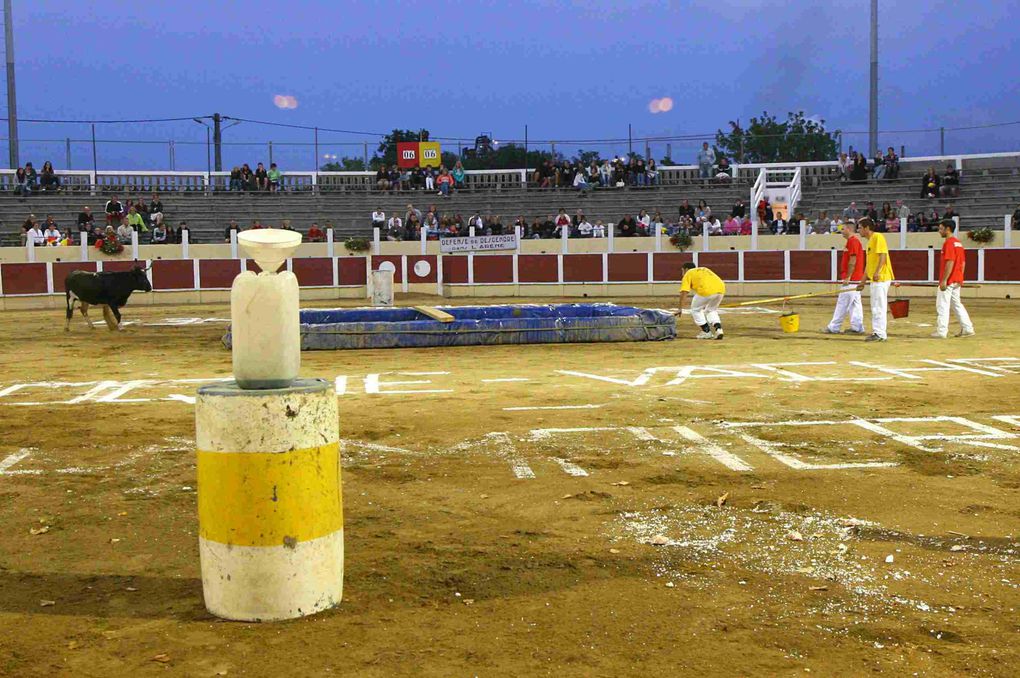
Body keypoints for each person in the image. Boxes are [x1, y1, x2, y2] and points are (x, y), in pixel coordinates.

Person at [933, 218, 975, 338]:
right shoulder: (958, 243)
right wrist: (960, 278)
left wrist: (944, 280)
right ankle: (967, 328)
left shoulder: (949, 243)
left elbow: (950, 262)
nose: (939, 231)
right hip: (957, 279)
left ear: (948, 229)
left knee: (942, 305)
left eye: (941, 228)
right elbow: (963, 263)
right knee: (957, 304)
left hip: (949, 279)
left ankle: (941, 331)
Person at [823, 222, 866, 335]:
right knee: (855, 304)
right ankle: (857, 327)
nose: (841, 231)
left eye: (843, 229)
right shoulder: (853, 241)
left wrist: (848, 276)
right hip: (855, 278)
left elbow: (853, 261)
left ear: (848, 229)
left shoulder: (852, 241)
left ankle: (834, 327)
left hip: (851, 279)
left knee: (843, 303)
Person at [857, 218, 895, 342]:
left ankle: (880, 333)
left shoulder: (878, 237)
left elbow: (883, 255)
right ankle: (878, 332)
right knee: (876, 306)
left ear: (867, 228)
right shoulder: (870, 242)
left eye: (860, 228)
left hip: (881, 278)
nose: (859, 230)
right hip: (876, 279)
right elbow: (869, 266)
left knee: (878, 306)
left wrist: (878, 272)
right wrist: (862, 282)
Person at [678, 262, 725, 340]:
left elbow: (684, 292)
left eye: (682, 271)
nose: (682, 273)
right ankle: (718, 329)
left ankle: (706, 332)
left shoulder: (688, 273)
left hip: (706, 291)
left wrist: (680, 308)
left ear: (686, 269)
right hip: (721, 289)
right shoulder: (704, 269)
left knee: (695, 309)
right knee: (711, 310)